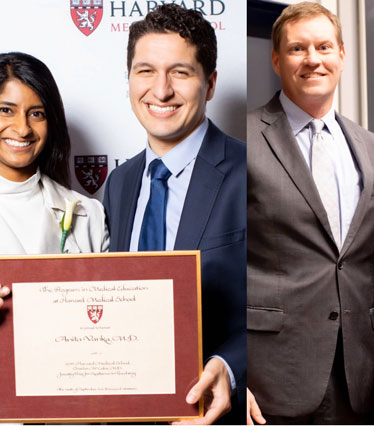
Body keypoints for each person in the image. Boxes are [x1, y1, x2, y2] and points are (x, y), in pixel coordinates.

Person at [246, 1, 374, 425]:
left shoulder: (372, 146)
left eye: (323, 47)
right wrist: (231, 369)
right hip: (269, 379)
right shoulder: (240, 137)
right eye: (298, 49)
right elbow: (213, 256)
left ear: (341, 54)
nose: (312, 60)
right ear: (276, 59)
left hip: (356, 373)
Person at [102, 4, 246, 424]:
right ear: (129, 78)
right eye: (145, 71)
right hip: (128, 411)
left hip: (212, 415)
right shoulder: (119, 183)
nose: (160, 91)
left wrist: (233, 366)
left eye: (180, 73)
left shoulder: (251, 171)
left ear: (211, 83)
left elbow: (290, 303)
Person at [0, 52, 109, 424]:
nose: (23, 128)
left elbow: (108, 330)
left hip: (69, 414)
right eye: (6, 110)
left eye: (37, 113)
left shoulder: (87, 214)